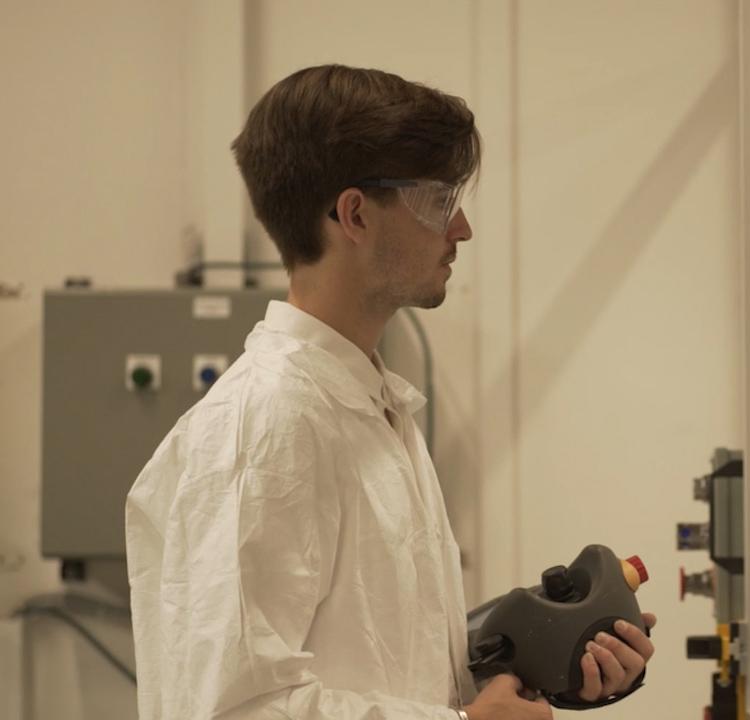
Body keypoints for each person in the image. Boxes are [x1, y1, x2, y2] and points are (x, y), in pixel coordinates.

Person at [125, 64, 656, 720]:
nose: (460, 228)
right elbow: (228, 710)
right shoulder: (263, 426)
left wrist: (548, 667)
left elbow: (382, 668)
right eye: (438, 201)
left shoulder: (370, 409)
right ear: (354, 215)